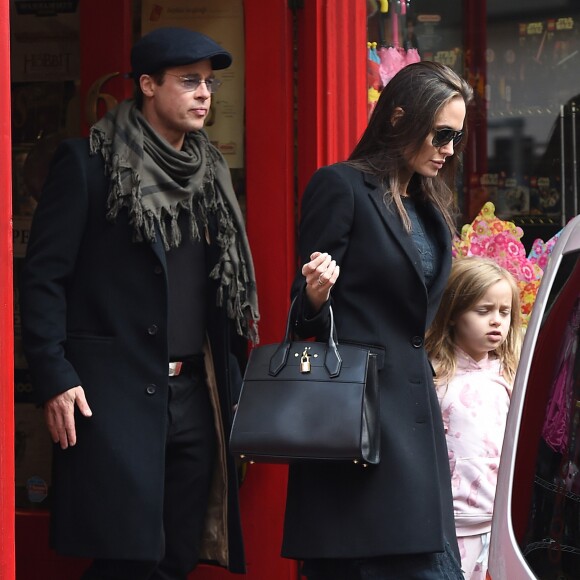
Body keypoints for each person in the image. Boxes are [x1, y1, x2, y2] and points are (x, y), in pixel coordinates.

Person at [19, 27, 259, 580]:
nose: (205, 93)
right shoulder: (88, 164)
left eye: (210, 82)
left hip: (194, 394)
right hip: (110, 396)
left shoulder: (211, 175)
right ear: (147, 85)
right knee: (126, 559)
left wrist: (234, 382)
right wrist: (54, 376)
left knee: (176, 558)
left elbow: (222, 292)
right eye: (189, 81)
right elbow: (44, 279)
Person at [282, 61, 473, 579]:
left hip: (413, 420)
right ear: (399, 119)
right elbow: (301, 314)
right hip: (355, 423)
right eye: (441, 134)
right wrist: (318, 295)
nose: (449, 149)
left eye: (457, 136)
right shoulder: (341, 187)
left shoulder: (431, 204)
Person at [425, 257, 523, 580]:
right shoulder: (434, 376)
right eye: (483, 311)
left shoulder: (513, 375)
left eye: (504, 312)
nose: (496, 321)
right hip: (449, 528)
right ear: (453, 313)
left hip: (501, 527)